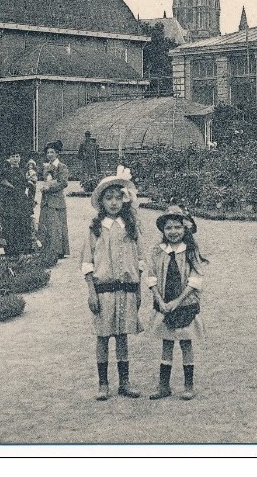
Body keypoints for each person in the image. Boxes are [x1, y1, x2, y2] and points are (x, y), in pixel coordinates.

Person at [81, 167, 144, 400]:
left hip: (126, 290)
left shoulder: (131, 227)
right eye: (109, 198)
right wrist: (91, 291)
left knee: (122, 335)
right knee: (102, 336)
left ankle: (124, 382)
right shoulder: (96, 228)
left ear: (125, 200)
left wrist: (138, 291)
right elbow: (87, 261)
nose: (114, 203)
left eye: (119, 198)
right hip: (103, 290)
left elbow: (139, 260)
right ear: (101, 202)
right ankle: (103, 383)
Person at [146, 205, 207, 400]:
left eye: (178, 227)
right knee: (167, 344)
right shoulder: (158, 251)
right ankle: (164, 386)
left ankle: (188, 385)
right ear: (163, 230)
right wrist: (159, 300)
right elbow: (152, 277)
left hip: (185, 304)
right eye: (169, 228)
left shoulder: (190, 250)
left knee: (186, 343)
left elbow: (195, 279)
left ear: (185, 229)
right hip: (165, 304)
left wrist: (179, 301)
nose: (173, 232)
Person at [37, 141, 70, 261]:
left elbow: (63, 183)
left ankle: (58, 250)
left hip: (56, 200)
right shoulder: (46, 167)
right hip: (46, 199)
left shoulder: (62, 167)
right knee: (46, 224)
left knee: (56, 225)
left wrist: (50, 187)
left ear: (57, 154)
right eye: (48, 152)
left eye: (52, 152)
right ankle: (47, 249)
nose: (49, 154)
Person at [0, 153, 32, 255]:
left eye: (17, 156)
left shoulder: (24, 171)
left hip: (22, 201)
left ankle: (23, 248)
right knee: (11, 224)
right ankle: (11, 249)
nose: (15, 159)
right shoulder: (5, 171)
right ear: (9, 158)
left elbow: (29, 186)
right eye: (13, 157)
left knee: (22, 223)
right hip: (10, 201)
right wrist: (9, 188)